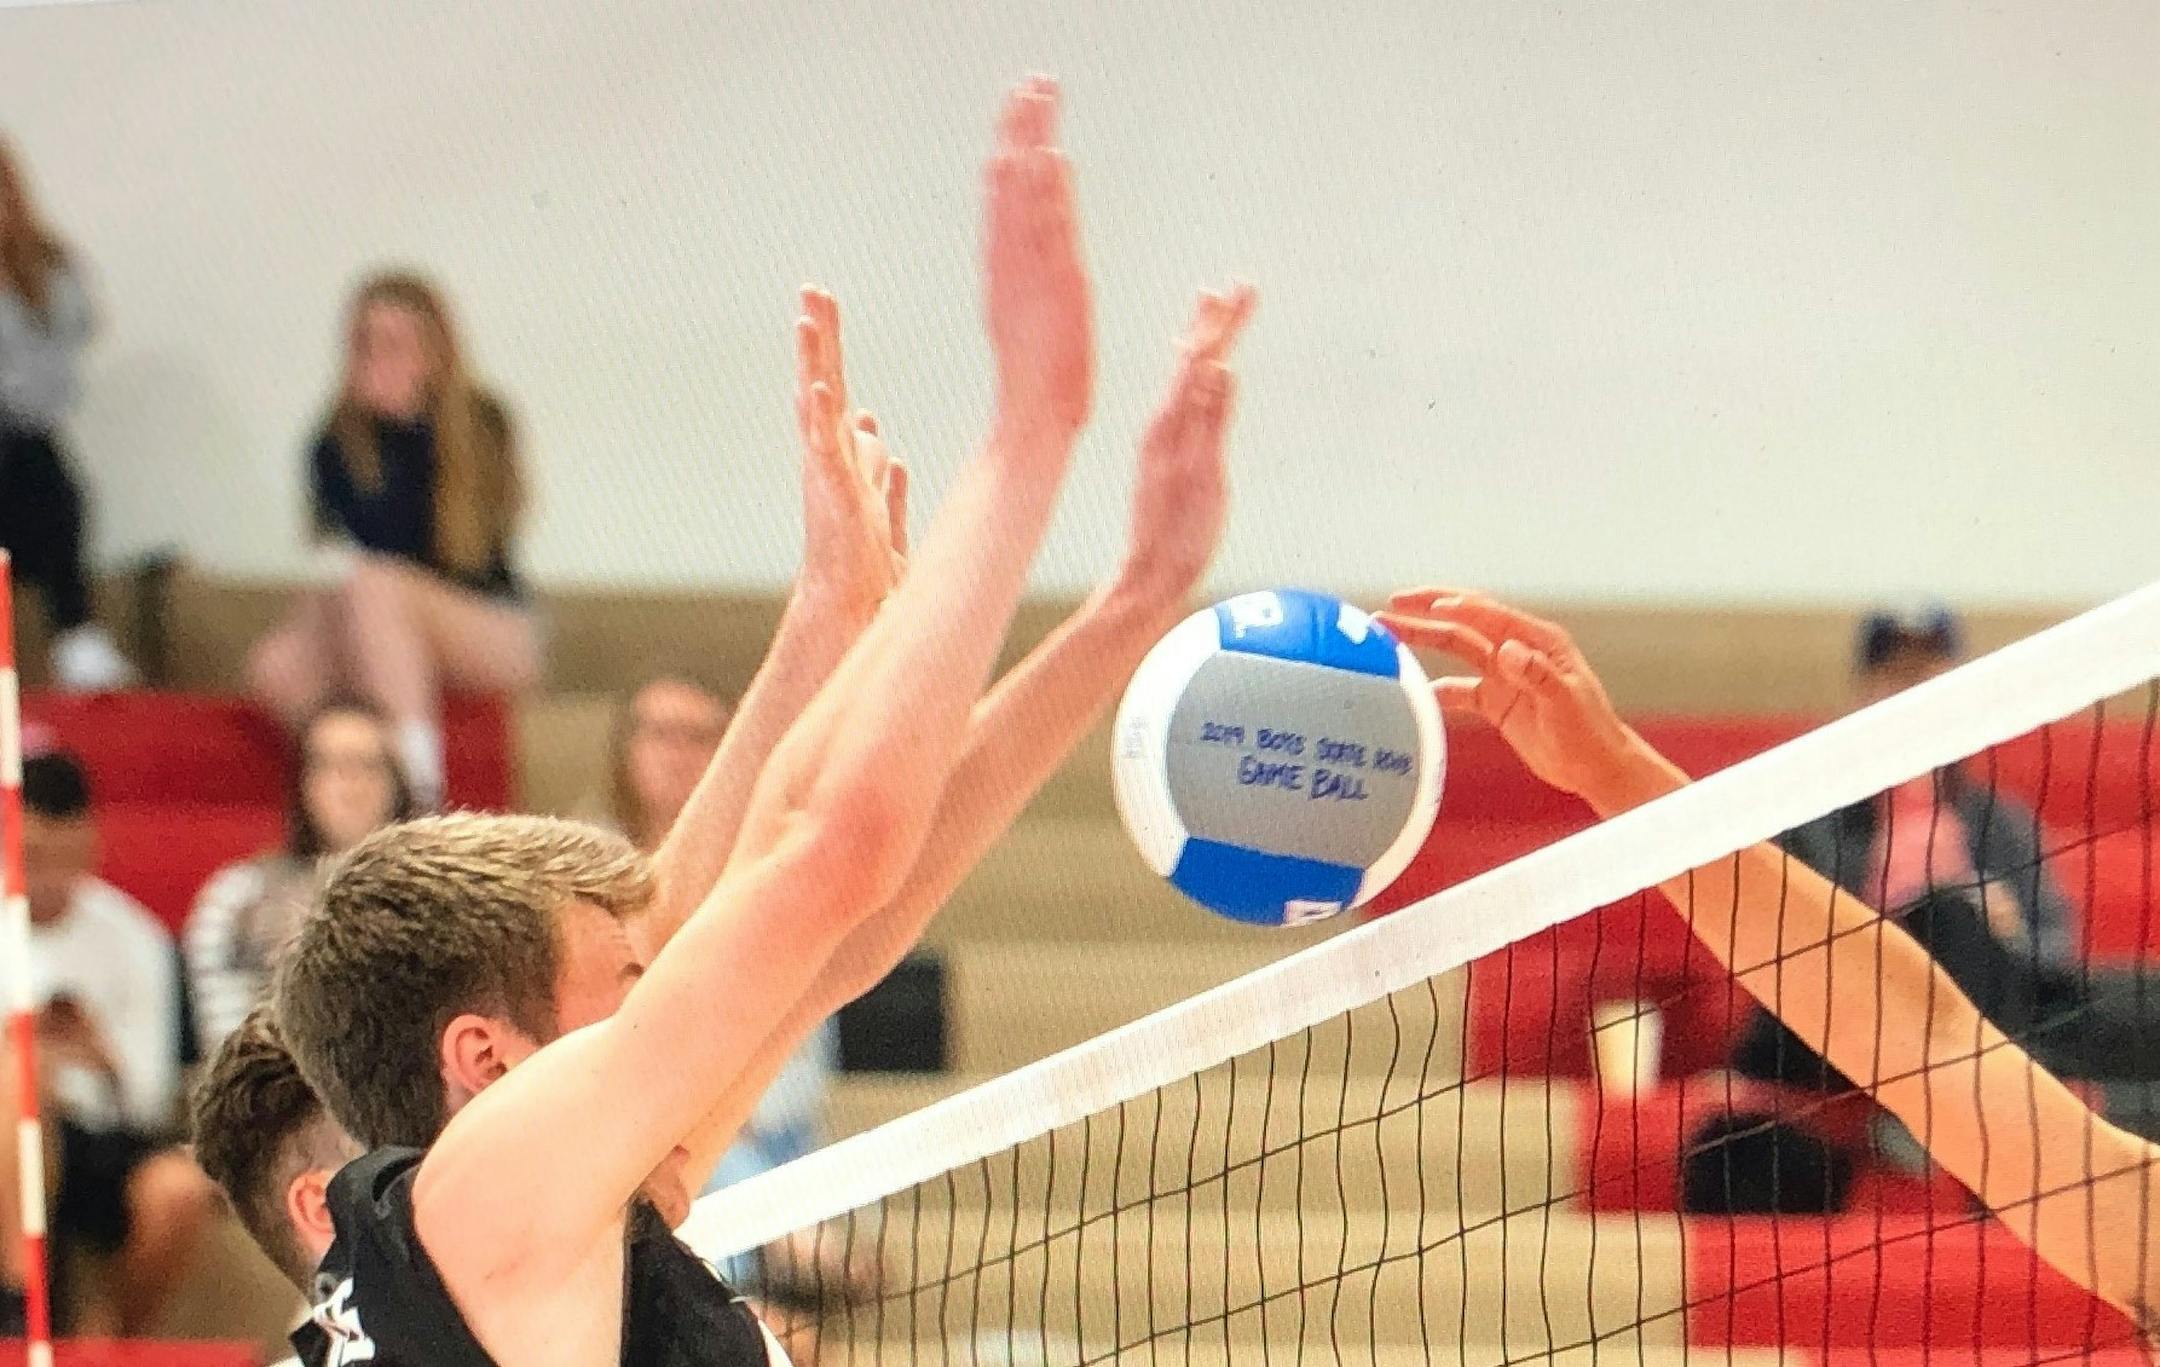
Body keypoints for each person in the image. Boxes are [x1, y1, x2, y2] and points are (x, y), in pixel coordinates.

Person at [259, 79, 1254, 1365]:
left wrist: (1132, 601)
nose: (671, 971)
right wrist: (1026, 436)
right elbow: (829, 850)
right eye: (630, 977)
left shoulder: (553, 1211)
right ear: (486, 1057)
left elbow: (845, 923)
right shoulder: (487, 1205)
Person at [1379, 588, 2160, 1340]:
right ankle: (1912, 1123)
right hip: (1834, 1053)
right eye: (1897, 670)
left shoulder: (1999, 824)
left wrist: (1996, 924)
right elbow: (1903, 1020)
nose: (1914, 684)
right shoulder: (1823, 810)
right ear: (1866, 685)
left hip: (1985, 1023)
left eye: (1929, 668)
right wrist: (1613, 770)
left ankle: (1923, 1122)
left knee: (1959, 927)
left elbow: (2015, 983)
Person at [246, 270, 540, 807]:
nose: (378, 359)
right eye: (366, 344)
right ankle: (349, 777)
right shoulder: (334, 441)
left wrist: (409, 428)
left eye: (396, 344)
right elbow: (347, 545)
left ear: (434, 351)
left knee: (376, 586)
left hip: (485, 622)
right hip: (381, 626)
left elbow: (457, 553)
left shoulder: (480, 424)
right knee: (276, 661)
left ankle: (418, 791)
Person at [21, 748, 218, 1334]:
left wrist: (97, 1050)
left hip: (105, 1137)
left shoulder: (137, 940)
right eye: (32, 856)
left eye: (62, 857)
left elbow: (151, 1100)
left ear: (89, 845)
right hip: (13, 1135)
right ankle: (19, 1312)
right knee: (20, 1093)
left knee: (179, 1189)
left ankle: (113, 1342)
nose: (46, 875)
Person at [185, 700, 419, 1053]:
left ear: (398, 782)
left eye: (368, 765)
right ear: (302, 781)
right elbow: (227, 1050)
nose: (351, 783)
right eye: (331, 765)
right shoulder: (238, 896)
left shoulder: (431, 898)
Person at [0, 136, 136, 690]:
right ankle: (75, 631)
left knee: (43, 472)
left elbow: (67, 347)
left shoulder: (45, 266)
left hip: (22, 439)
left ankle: (77, 634)